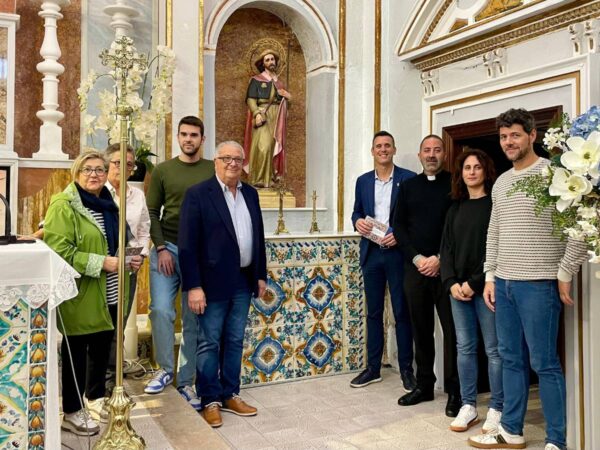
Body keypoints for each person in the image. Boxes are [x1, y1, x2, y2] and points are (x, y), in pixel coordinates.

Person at [468, 109, 587, 450]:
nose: (509, 142)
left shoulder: (554, 173)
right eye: (504, 137)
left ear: (532, 135)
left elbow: (578, 230)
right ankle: (512, 430)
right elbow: (495, 231)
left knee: (544, 363)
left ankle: (557, 440)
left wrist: (565, 272)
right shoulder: (502, 181)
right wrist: (490, 276)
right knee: (510, 359)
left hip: (538, 284)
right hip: (503, 284)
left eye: (515, 135)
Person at [44, 151, 142, 435]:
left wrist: (127, 258)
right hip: (81, 292)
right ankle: (72, 411)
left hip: (109, 291)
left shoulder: (107, 204)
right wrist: (103, 263)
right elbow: (59, 250)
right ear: (76, 172)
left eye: (100, 169)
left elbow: (117, 242)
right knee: (76, 352)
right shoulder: (64, 205)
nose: (94, 175)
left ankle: (95, 400)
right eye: (87, 169)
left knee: (101, 347)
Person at [179, 141, 267, 428]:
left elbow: (258, 236)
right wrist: (194, 286)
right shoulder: (198, 194)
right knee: (209, 341)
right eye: (226, 158)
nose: (232, 163)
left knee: (235, 340)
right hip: (210, 283)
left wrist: (260, 274)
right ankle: (210, 400)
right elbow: (188, 245)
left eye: (237, 158)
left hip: (243, 280)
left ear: (244, 163)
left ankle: (230, 394)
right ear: (215, 161)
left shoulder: (250, 194)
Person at [145, 116, 214, 410]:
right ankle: (164, 369)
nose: (188, 139)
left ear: (203, 138)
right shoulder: (163, 170)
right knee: (161, 309)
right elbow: (151, 212)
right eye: (184, 134)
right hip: (168, 249)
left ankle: (186, 383)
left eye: (194, 135)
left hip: (199, 254)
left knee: (193, 317)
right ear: (177, 137)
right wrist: (161, 248)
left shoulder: (213, 169)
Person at [392, 135, 461, 417]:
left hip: (448, 271)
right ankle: (424, 385)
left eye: (437, 150)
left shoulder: (455, 186)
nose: (432, 155)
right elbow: (399, 227)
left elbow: (458, 227)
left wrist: (440, 260)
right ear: (419, 155)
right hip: (416, 269)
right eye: (427, 151)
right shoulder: (407, 187)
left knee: (454, 332)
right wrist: (419, 258)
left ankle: (456, 391)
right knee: (421, 329)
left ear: (444, 154)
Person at [440, 149, 503, 433]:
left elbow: (496, 250)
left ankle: (496, 408)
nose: (472, 172)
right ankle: (468, 406)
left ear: (485, 172)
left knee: (494, 350)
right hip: (458, 290)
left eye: (477, 167)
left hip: (485, 288)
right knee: (464, 348)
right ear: (461, 173)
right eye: (467, 167)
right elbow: (447, 250)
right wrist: (451, 282)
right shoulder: (455, 208)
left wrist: (473, 283)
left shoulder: (494, 206)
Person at [350, 131, 417, 392]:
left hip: (397, 254)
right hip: (371, 254)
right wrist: (356, 221)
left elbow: (413, 219)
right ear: (372, 151)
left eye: (387, 145)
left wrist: (399, 237)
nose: (383, 149)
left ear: (394, 149)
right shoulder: (363, 181)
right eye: (379, 146)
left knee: (402, 313)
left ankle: (407, 371)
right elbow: (357, 210)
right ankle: (373, 368)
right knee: (374, 313)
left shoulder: (408, 179)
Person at [104, 143, 151, 398]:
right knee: (100, 327)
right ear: (107, 164)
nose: (124, 168)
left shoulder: (137, 196)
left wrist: (140, 256)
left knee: (118, 325)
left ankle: (112, 383)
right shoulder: (97, 191)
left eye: (129, 164)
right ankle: (97, 384)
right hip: (101, 270)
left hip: (127, 271)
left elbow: (144, 229)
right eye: (118, 162)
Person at [243, 49, 291, 187]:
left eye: (272, 59)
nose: (271, 62)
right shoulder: (256, 80)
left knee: (275, 145)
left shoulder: (279, 83)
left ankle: (271, 178)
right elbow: (251, 99)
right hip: (264, 114)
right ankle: (258, 179)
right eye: (267, 60)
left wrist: (288, 97)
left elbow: (287, 103)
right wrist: (257, 113)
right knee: (264, 146)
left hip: (278, 116)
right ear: (263, 64)